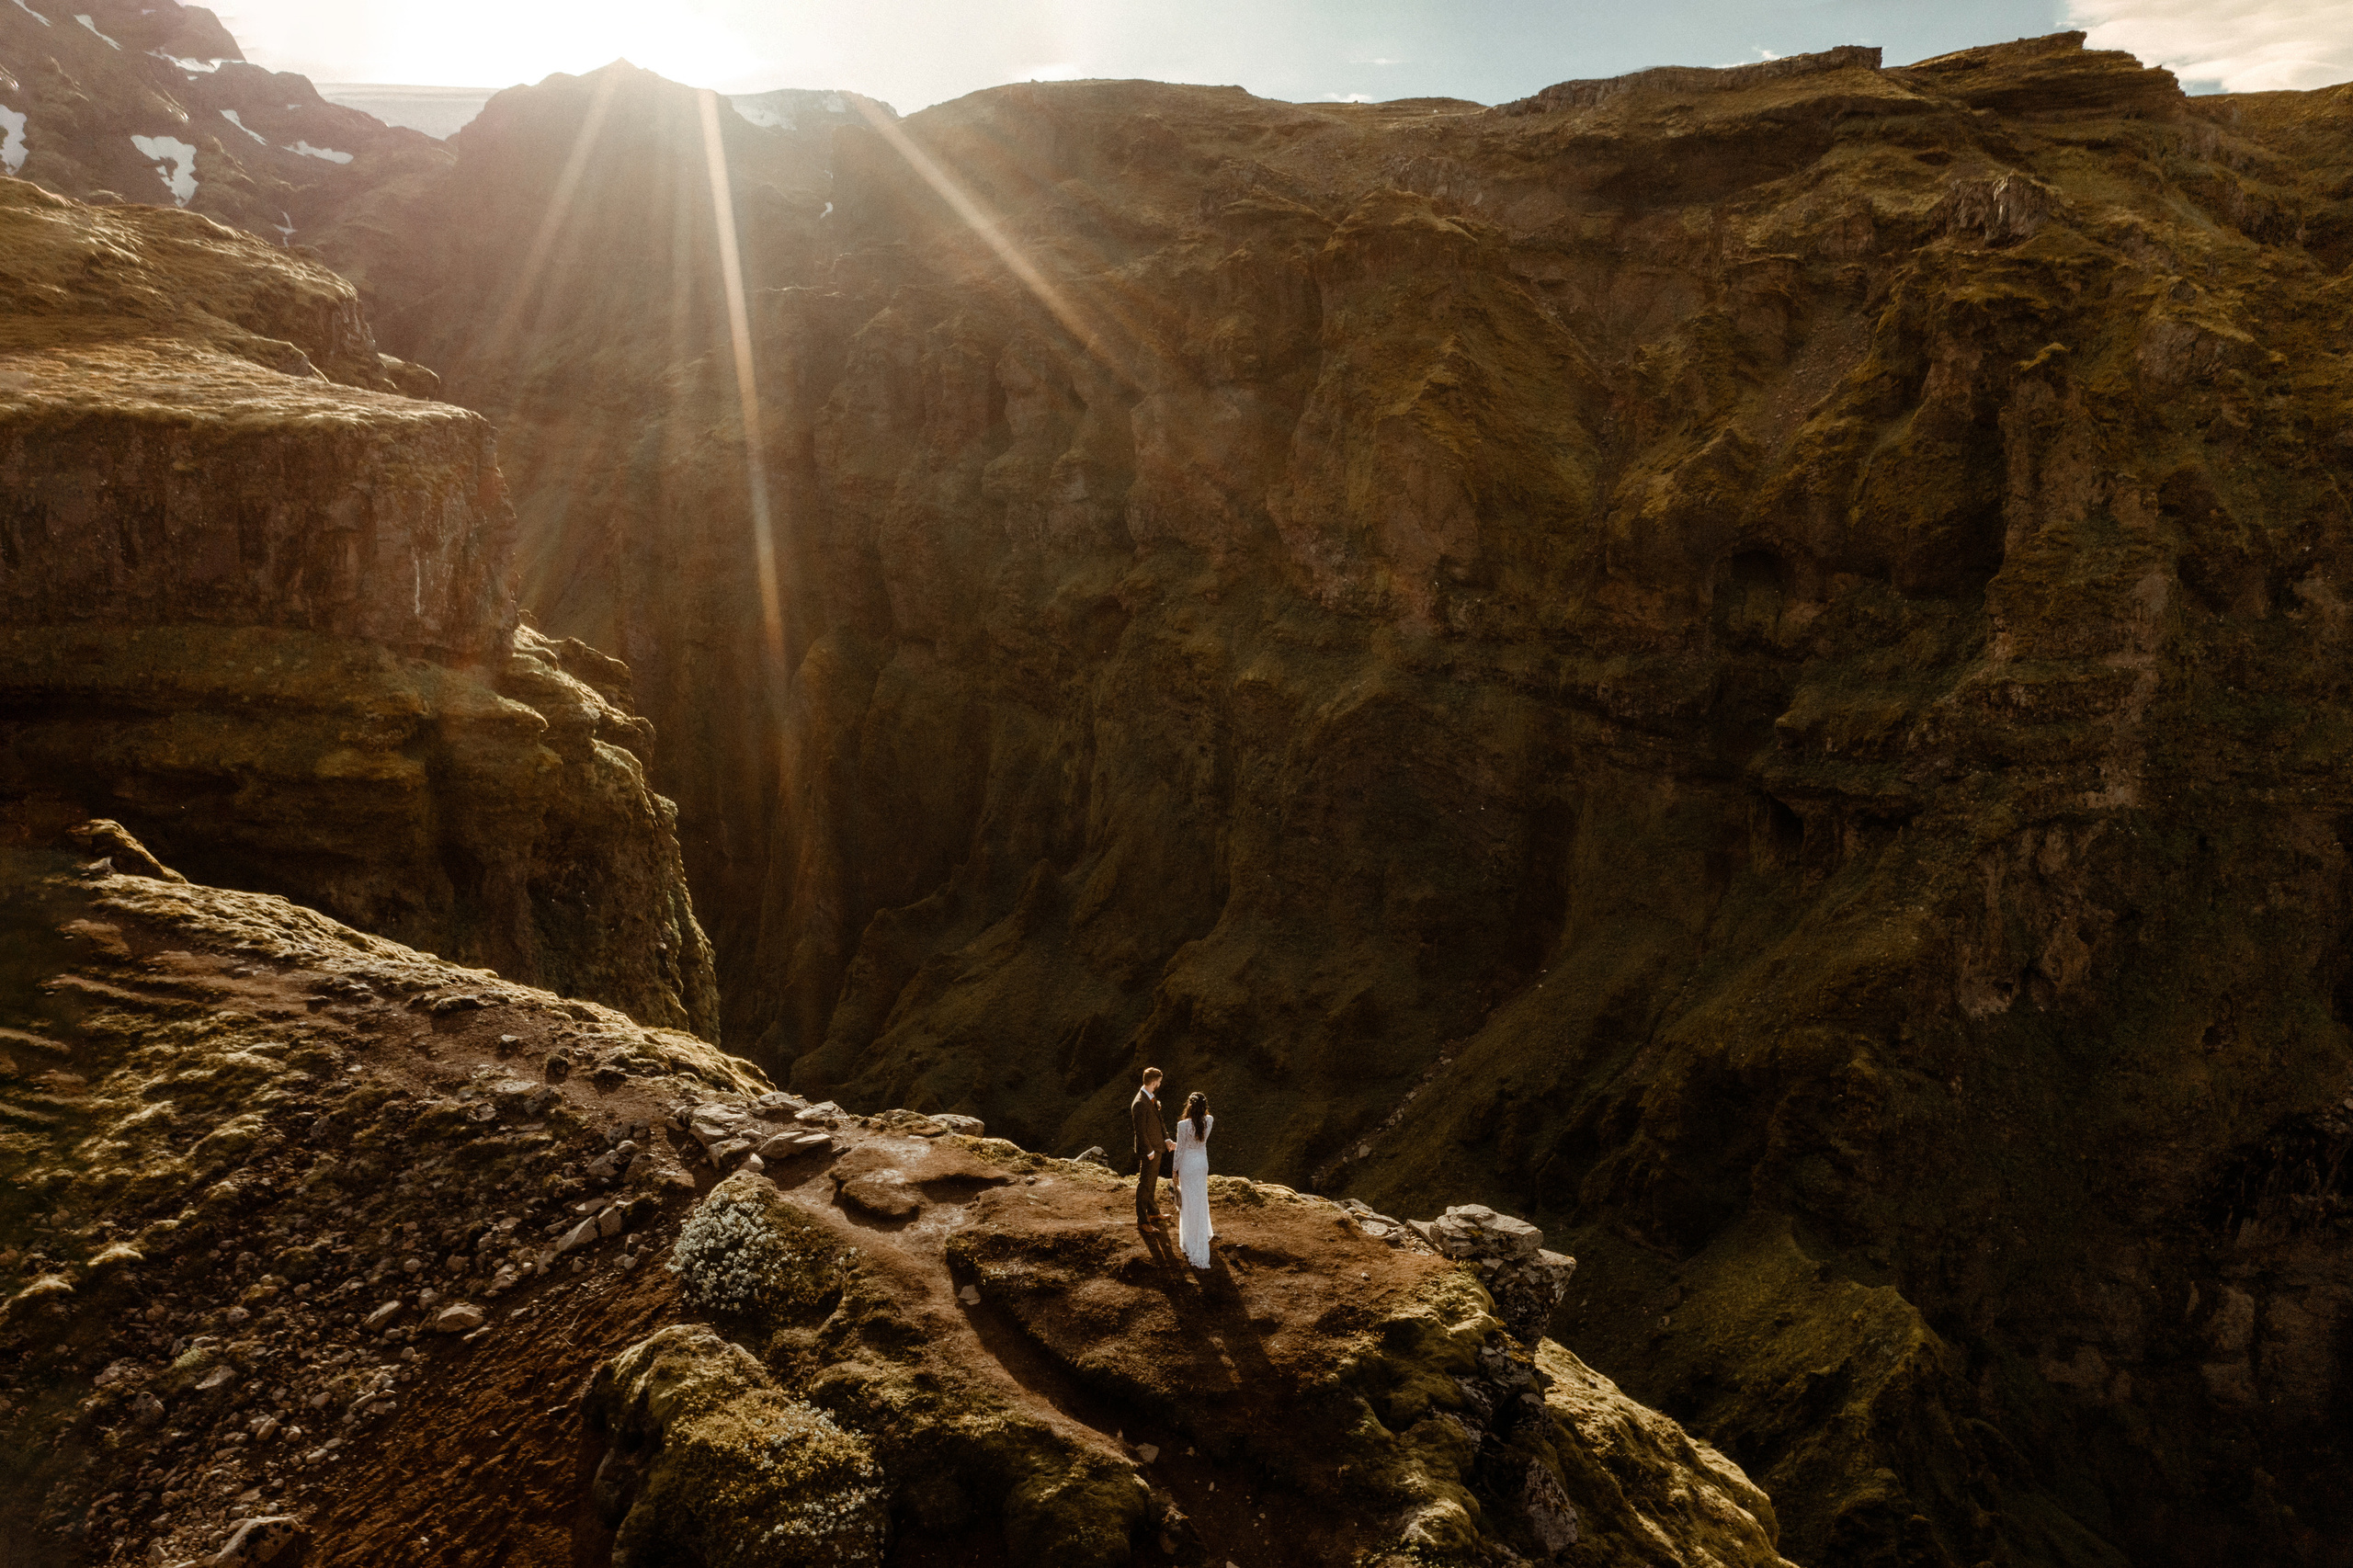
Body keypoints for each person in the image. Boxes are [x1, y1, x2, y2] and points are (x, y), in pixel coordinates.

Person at [1173, 1091, 1214, 1268]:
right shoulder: (1210, 1120)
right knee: (1201, 1200)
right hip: (1201, 1163)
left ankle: (1190, 1240)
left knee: (1189, 1202)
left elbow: (1180, 1150)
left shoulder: (1182, 1125)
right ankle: (1201, 1233)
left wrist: (1174, 1169)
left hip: (1188, 1165)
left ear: (1189, 1106)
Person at [1131, 1067, 1174, 1228]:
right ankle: (1142, 1220)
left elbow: (1159, 1121)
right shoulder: (1140, 1103)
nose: (1159, 1085)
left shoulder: (1150, 1097)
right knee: (1145, 1184)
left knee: (1152, 1182)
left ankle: (1153, 1212)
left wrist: (1167, 1139)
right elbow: (1140, 1131)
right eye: (1159, 1082)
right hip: (1149, 1150)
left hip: (1158, 1147)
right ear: (1154, 1082)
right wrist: (1149, 1150)